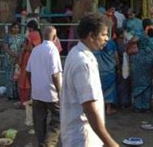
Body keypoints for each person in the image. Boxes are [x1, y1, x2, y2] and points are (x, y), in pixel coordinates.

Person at [61, 13, 119, 147]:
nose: (107, 39)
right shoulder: (83, 63)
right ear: (91, 36)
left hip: (79, 133)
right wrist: (110, 143)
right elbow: (89, 108)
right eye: (103, 35)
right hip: (83, 137)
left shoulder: (76, 52)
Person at [26, 26, 62, 147]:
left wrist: (33, 85)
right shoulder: (53, 50)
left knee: (39, 120)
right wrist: (60, 93)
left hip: (37, 92)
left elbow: (27, 72)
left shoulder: (36, 50)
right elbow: (55, 75)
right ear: (55, 37)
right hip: (51, 93)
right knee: (58, 118)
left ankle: (42, 142)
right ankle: (48, 143)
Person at [93, 32, 120, 115]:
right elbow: (116, 56)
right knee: (110, 89)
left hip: (98, 69)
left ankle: (99, 108)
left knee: (99, 88)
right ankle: (108, 108)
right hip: (109, 69)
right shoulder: (111, 43)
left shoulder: (96, 42)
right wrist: (119, 67)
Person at [129, 34, 153, 112]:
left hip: (137, 77)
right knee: (147, 89)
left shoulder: (135, 54)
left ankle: (138, 106)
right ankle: (146, 106)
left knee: (138, 89)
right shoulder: (150, 52)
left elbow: (132, 64)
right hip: (147, 75)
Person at [0, 22, 26, 100]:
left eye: (17, 28)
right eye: (14, 27)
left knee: (18, 77)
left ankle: (17, 95)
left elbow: (23, 47)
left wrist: (19, 56)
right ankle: (9, 95)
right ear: (11, 28)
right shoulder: (7, 37)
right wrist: (13, 55)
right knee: (9, 77)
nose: (16, 29)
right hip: (9, 59)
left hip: (19, 60)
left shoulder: (22, 37)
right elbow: (6, 48)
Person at [18, 20, 42, 104]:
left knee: (24, 79)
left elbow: (30, 48)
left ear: (30, 28)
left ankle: (24, 101)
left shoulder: (31, 35)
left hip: (28, 57)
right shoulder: (39, 35)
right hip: (35, 58)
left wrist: (23, 50)